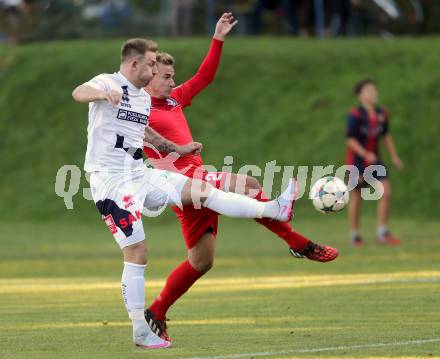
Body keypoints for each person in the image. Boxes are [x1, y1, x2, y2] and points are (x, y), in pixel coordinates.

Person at [72, 37, 298, 349]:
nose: (154, 70)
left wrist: (177, 148)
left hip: (139, 174)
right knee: (137, 253)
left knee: (202, 191)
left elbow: (146, 133)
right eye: (151, 64)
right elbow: (78, 92)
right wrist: (102, 93)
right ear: (134, 63)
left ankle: (273, 209)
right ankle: (140, 329)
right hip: (110, 183)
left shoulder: (140, 98)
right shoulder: (108, 82)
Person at [143, 12, 339, 341]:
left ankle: (157, 311)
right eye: (166, 76)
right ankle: (296, 242)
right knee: (249, 186)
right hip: (184, 181)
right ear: (149, 76)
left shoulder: (174, 99)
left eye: (173, 75)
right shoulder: (139, 107)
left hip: (194, 183)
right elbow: (140, 138)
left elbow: (204, 77)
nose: (172, 81)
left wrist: (217, 38)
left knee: (202, 261)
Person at [346, 79, 403, 246]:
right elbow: (350, 140)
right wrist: (364, 153)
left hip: (375, 161)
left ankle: (382, 233)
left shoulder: (382, 113)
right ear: (360, 95)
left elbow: (386, 135)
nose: (373, 93)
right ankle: (355, 235)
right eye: (368, 91)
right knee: (356, 197)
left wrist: (394, 156)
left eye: (374, 90)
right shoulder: (355, 115)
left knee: (386, 192)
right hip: (357, 161)